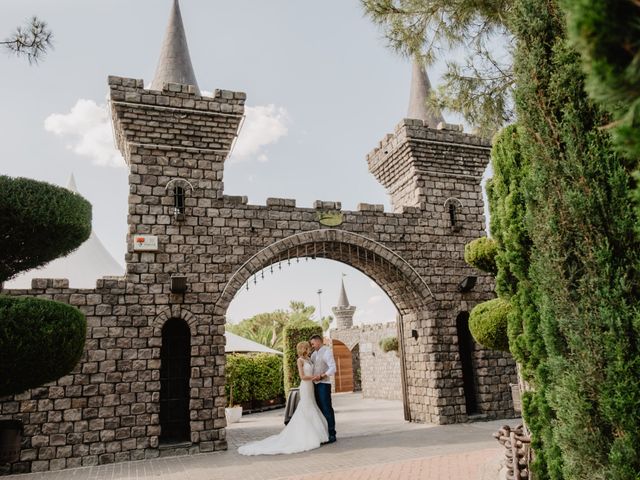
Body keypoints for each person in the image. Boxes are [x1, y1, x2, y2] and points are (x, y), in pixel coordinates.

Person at [237, 341, 328, 455]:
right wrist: (315, 377)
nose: (310, 349)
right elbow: (302, 376)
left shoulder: (309, 360)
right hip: (305, 386)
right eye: (308, 347)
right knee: (306, 407)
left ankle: (316, 433)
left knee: (311, 406)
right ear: (303, 348)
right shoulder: (299, 361)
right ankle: (305, 435)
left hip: (311, 387)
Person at [309, 334, 337, 443]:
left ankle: (332, 434)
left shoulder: (327, 351)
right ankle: (323, 434)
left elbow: (333, 368)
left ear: (319, 342)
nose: (312, 346)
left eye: (313, 343)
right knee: (319, 409)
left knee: (327, 409)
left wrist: (322, 376)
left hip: (324, 384)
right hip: (315, 385)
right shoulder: (313, 354)